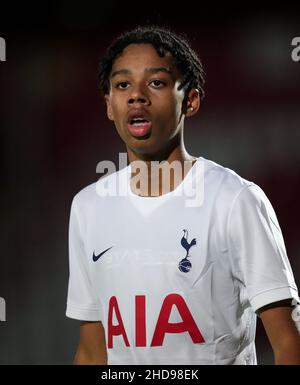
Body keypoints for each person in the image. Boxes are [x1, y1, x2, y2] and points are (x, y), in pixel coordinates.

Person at [66, 25, 300, 365]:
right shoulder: (87, 207)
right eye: (122, 84)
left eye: (156, 82)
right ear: (109, 106)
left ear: (189, 100)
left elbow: (289, 342)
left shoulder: (235, 200)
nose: (137, 95)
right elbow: (92, 351)